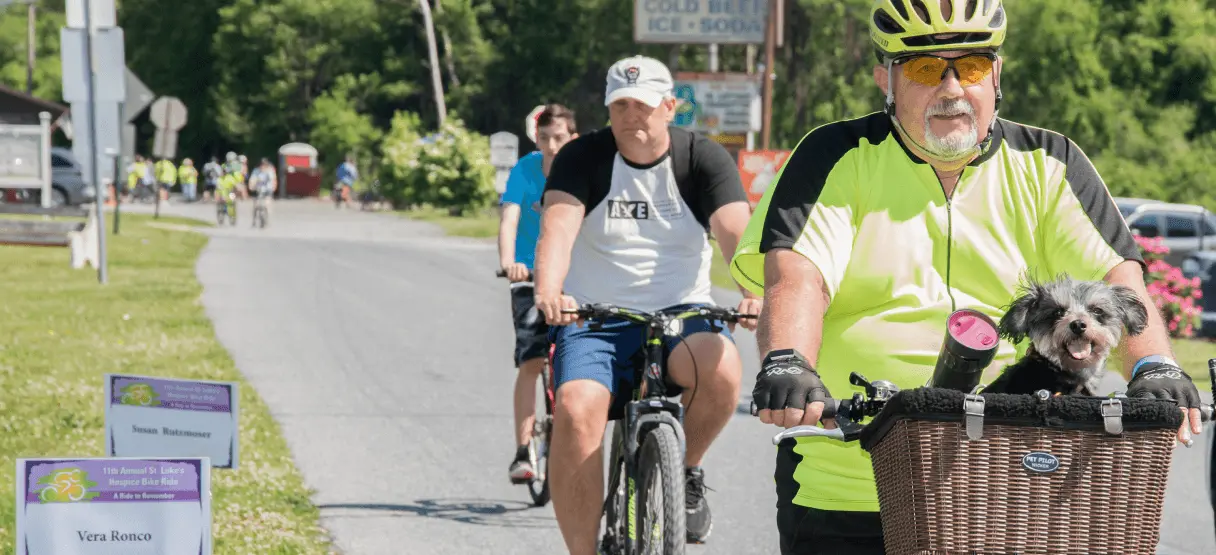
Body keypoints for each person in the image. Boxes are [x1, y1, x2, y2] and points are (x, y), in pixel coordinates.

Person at [727, 1, 1205, 553]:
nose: (952, 88)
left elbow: (1116, 280)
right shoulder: (834, 155)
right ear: (886, 79)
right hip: (850, 482)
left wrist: (1154, 364)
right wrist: (788, 360)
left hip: (1006, 486)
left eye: (971, 67)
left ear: (996, 75)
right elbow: (798, 277)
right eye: (926, 68)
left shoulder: (1049, 162)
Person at [533, 55, 763, 553]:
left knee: (723, 369)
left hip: (682, 314)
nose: (631, 115)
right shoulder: (582, 158)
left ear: (669, 106)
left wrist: (753, 291)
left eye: (643, 104)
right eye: (620, 105)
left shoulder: (702, 158)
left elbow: (736, 234)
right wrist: (549, 290)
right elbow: (558, 229)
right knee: (575, 409)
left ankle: (686, 470)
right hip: (595, 318)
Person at [498, 104, 580, 483]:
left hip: (572, 278)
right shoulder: (526, 169)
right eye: (544, 138)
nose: (551, 146)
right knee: (531, 362)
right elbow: (510, 218)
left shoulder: (582, 168)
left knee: (579, 362)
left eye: (559, 138)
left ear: (572, 138)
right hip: (529, 277)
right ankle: (523, 451)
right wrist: (509, 262)